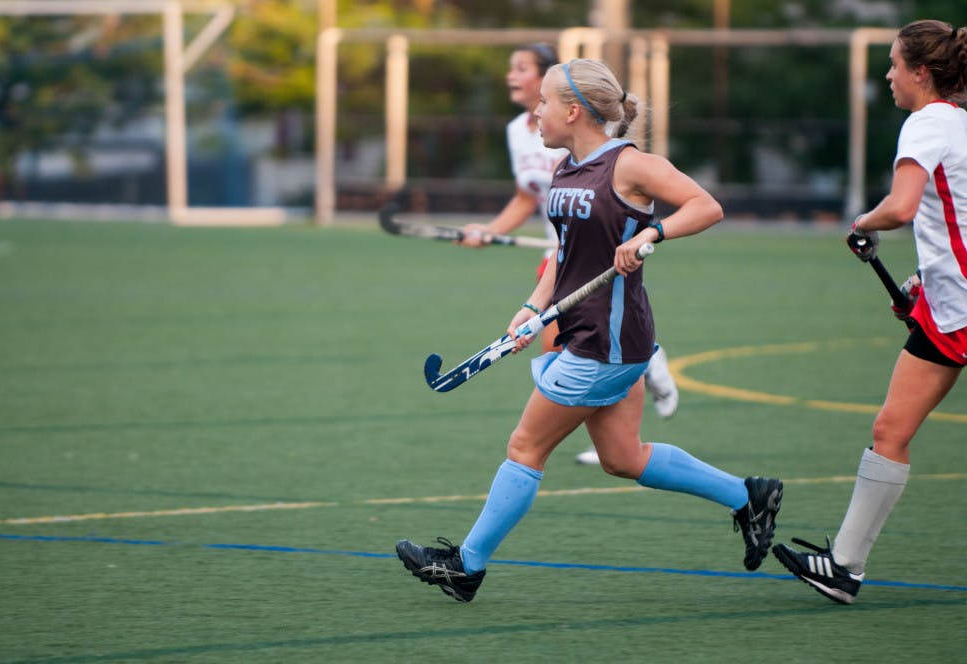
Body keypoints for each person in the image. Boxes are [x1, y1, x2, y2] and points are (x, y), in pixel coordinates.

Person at [396, 58, 784, 603]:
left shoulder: (630, 166)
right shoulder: (565, 170)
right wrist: (532, 306)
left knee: (525, 446)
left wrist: (652, 233)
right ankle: (748, 496)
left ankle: (466, 566)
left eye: (545, 103)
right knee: (623, 457)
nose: (536, 112)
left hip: (608, 342)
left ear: (573, 111)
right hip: (588, 332)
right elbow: (564, 254)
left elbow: (707, 206)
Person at [773, 19, 967, 605]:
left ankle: (845, 566)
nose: (887, 76)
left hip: (960, 308)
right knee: (891, 429)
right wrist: (923, 281)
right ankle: (843, 567)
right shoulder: (959, 123)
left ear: (921, 73)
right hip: (950, 300)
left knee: (891, 430)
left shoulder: (928, 123)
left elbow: (902, 207)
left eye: (893, 65)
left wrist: (861, 223)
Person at [457, 44, 679, 468]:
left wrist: (652, 231)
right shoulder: (517, 132)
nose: (511, 76)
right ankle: (618, 428)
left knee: (572, 353)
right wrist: (489, 232)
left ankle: (643, 367)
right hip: (558, 255)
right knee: (565, 345)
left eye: (521, 69)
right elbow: (528, 198)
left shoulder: (595, 142)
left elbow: (637, 194)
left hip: (593, 256)